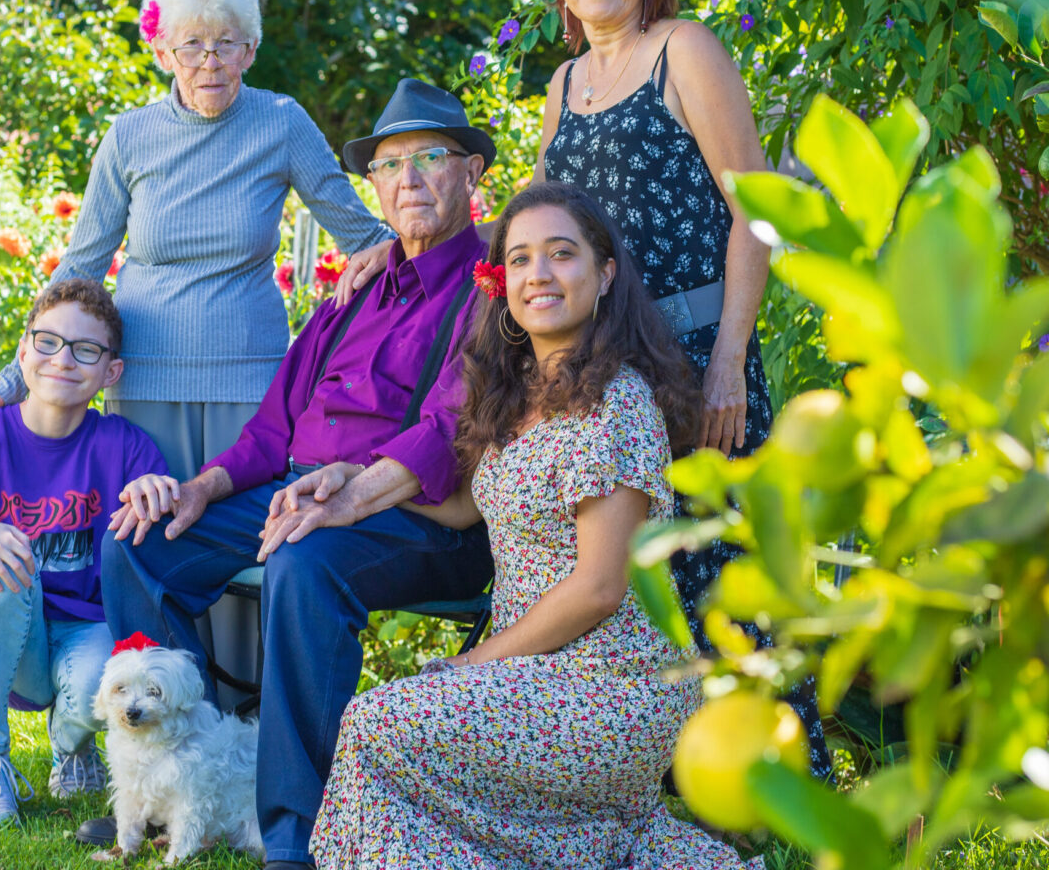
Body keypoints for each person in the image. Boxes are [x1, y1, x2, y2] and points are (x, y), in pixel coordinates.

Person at [97, 78, 498, 870]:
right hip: (302, 493)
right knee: (140, 543)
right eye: (390, 166)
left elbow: (451, 426)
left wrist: (348, 492)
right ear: (374, 188)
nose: (410, 179)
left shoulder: (490, 284)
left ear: (473, 173)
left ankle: (293, 828)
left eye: (431, 158)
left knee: (305, 562)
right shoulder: (356, 291)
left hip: (421, 513)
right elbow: (273, 428)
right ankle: (187, 771)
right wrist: (204, 487)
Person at [310, 183, 755, 869]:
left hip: (612, 686)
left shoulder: (618, 401)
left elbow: (601, 587)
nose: (538, 274)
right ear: (501, 282)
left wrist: (469, 666)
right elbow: (465, 507)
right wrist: (350, 484)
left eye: (561, 255)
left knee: (377, 722)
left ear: (605, 275)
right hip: (532, 681)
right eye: (519, 259)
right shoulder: (517, 394)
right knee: (385, 742)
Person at [534, 0, 829, 773]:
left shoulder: (685, 51)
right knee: (632, 586)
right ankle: (650, 783)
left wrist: (731, 358)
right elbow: (545, 241)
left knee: (731, 579)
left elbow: (755, 213)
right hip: (603, 382)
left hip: (700, 359)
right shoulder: (562, 84)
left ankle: (780, 788)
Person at [0, 0, 390, 484]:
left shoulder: (281, 122)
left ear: (249, 51)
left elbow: (366, 237)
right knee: (152, 541)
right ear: (164, 53)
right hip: (143, 387)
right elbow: (81, 267)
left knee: (244, 552)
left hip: (251, 384)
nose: (210, 62)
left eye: (225, 44)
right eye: (192, 47)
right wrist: (11, 382)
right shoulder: (130, 136)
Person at [0, 279, 168, 826]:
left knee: (104, 679)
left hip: (89, 636)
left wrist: (159, 494)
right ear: (23, 351)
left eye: (85, 350)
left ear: (109, 372)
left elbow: (156, 548)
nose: (62, 360)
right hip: (9, 638)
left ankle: (71, 742)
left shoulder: (127, 445)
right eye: (47, 342)